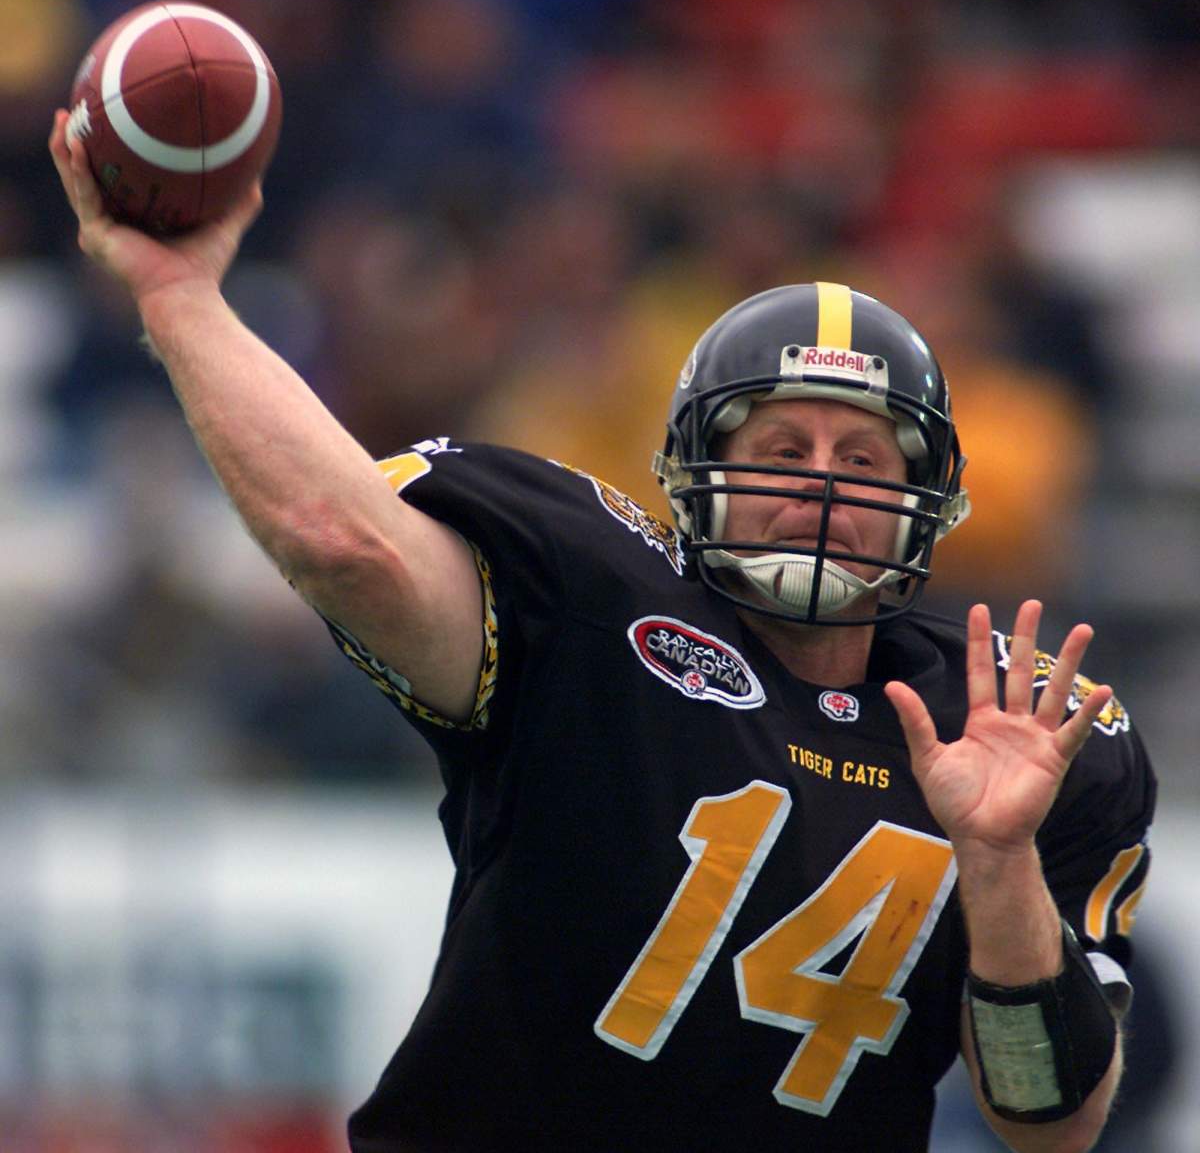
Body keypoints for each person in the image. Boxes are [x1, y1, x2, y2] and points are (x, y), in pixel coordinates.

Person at [49, 112, 1156, 1153]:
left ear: (928, 502)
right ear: (694, 474)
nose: (820, 486)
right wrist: (180, 294)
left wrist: (999, 859)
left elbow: (1048, 1123)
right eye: (782, 448)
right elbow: (341, 541)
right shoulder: (599, 605)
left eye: (864, 460)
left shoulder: (1017, 731)